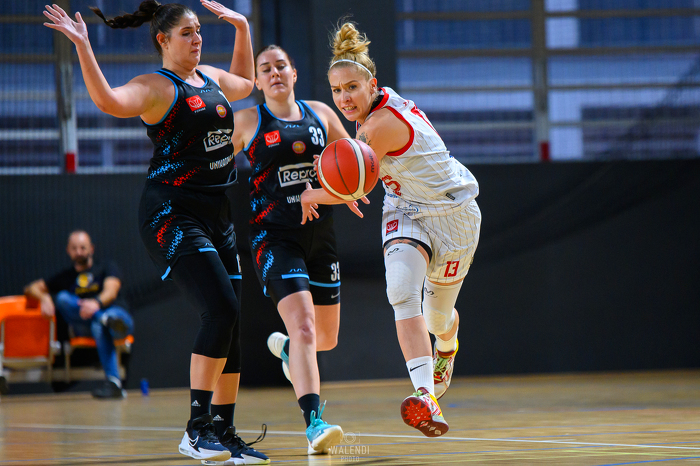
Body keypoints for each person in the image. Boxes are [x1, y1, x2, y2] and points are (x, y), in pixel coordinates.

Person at [42, 2, 269, 464]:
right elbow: (108, 101)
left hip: (217, 215)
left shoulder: (211, 77)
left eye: (199, 30)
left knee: (231, 324)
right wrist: (84, 46)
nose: (197, 38)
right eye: (187, 32)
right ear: (163, 40)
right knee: (220, 310)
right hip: (171, 214)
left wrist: (243, 27)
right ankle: (196, 429)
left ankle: (224, 432)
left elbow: (246, 83)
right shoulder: (156, 87)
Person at [301, 21, 482, 438]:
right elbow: (356, 174)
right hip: (405, 209)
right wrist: (339, 177)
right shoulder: (372, 115)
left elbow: (355, 183)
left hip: (455, 216)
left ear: (372, 85)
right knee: (401, 291)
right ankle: (427, 397)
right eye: (336, 90)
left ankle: (447, 344)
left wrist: (315, 192)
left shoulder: (377, 125)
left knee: (438, 319)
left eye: (352, 88)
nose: (344, 98)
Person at [230, 44, 365, 455]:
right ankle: (314, 424)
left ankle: (289, 350)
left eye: (281, 66)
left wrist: (334, 191)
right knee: (304, 326)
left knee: (325, 338)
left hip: (320, 238)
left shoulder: (321, 114)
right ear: (257, 81)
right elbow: (206, 165)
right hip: (275, 238)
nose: (274, 73)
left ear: (294, 73)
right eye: (265, 69)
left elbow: (357, 168)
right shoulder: (248, 121)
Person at [24, 230, 135, 399]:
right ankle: (103, 320)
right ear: (68, 251)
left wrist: (95, 303)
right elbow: (30, 288)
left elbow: (111, 292)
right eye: (74, 248)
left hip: (117, 318)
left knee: (104, 323)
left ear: (91, 249)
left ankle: (114, 382)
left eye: (83, 247)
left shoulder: (106, 267)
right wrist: (44, 297)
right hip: (89, 324)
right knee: (63, 298)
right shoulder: (67, 276)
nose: (79, 252)